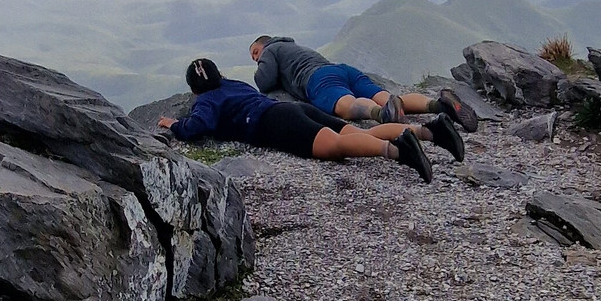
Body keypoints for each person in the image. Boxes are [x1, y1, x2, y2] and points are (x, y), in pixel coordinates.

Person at [158, 59, 467, 184]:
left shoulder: (208, 100)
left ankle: (400, 150)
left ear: (195, 88)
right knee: (358, 132)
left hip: (274, 124)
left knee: (334, 147)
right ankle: (428, 130)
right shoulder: (234, 86)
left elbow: (197, 126)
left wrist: (173, 125)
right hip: (292, 109)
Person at [248, 35, 479, 131]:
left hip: (316, 79)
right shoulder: (295, 47)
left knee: (344, 105)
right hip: (342, 69)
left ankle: (381, 114)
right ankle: (439, 105)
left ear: (262, 45)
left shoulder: (271, 49)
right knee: (384, 95)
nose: (256, 58)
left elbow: (264, 80)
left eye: (255, 53)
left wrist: (261, 64)